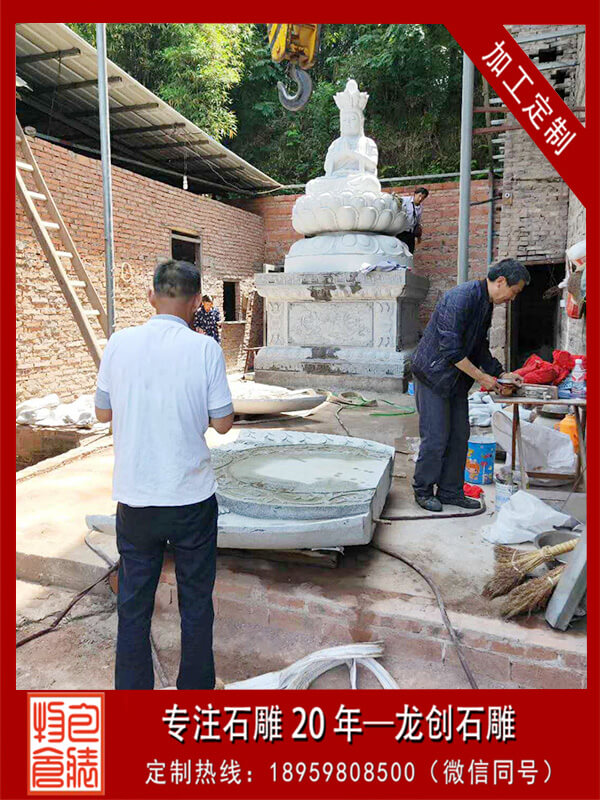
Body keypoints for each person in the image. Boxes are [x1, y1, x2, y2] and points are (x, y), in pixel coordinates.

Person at [94, 259, 234, 689]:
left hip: (136, 498)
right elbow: (222, 423)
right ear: (196, 302)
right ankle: (194, 696)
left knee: (133, 604)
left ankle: (132, 700)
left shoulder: (119, 343)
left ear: (151, 296)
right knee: (196, 602)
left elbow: (102, 413)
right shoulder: (205, 349)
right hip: (190, 499)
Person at [410, 259, 530, 512]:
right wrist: (482, 378)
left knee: (459, 436)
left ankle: (450, 491)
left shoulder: (485, 303)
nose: (513, 298)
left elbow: (478, 346)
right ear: (501, 282)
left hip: (455, 379)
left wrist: (502, 374)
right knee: (436, 437)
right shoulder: (460, 298)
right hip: (433, 375)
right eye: (514, 291)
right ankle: (423, 490)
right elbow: (451, 349)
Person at [396, 187, 429, 254]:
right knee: (401, 253)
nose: (420, 199)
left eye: (423, 198)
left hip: (411, 234)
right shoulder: (405, 200)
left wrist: (419, 236)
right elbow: (396, 202)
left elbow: (417, 221)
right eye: (419, 196)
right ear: (415, 194)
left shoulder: (420, 207)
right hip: (401, 232)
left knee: (410, 253)